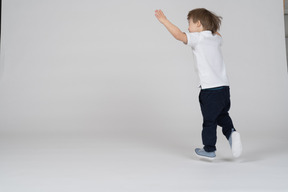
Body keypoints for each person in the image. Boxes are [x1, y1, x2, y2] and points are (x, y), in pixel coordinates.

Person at [154, 8, 242, 159]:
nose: (188, 28)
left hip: (209, 89)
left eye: (189, 23)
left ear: (199, 24)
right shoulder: (216, 38)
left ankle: (209, 149)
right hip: (224, 88)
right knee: (222, 114)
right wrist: (211, 27)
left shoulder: (198, 38)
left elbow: (179, 35)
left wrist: (164, 21)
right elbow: (216, 32)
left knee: (209, 120)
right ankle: (231, 133)